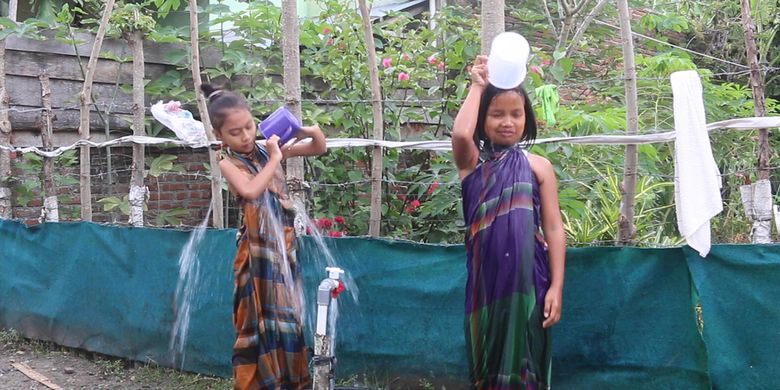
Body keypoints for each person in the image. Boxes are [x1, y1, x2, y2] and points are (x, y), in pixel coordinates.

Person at [200, 83, 327, 390]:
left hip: (283, 249)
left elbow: (319, 146)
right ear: (220, 136)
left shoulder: (263, 149)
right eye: (235, 132)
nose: (245, 136)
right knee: (255, 324)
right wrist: (274, 157)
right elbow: (250, 191)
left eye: (248, 126)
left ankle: (289, 382)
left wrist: (302, 129)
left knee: (288, 321)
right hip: (255, 256)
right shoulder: (227, 162)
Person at [451, 55, 566, 389]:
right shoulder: (471, 164)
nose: (507, 122)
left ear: (526, 118)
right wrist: (477, 86)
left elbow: (554, 228)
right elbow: (460, 134)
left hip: (532, 281)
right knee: (487, 362)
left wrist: (557, 287)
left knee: (528, 360)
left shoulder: (539, 166)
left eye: (516, 114)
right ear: (482, 119)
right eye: (497, 113)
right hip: (487, 282)